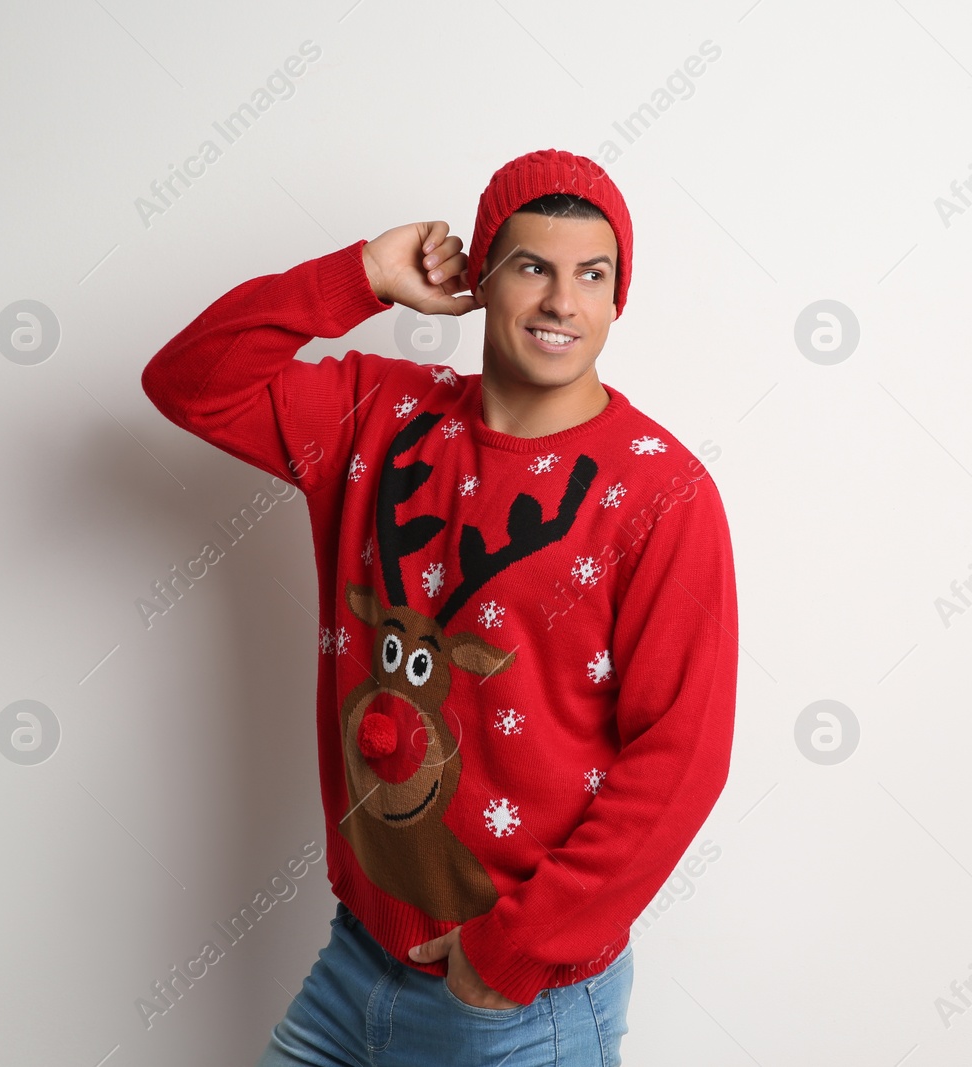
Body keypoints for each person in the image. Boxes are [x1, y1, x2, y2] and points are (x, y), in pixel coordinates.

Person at [140, 147, 739, 1066]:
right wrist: (363, 277)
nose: (562, 303)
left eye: (593, 274)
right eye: (533, 266)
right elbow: (189, 380)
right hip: (358, 961)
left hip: (515, 1004)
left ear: (620, 296)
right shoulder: (377, 416)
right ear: (482, 279)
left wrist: (514, 953)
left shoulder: (661, 494)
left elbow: (680, 757)